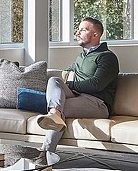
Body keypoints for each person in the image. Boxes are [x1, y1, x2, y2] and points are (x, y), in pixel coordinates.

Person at [35, 17, 119, 154]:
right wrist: (64, 82)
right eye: (78, 30)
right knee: (54, 81)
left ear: (95, 35)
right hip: (78, 96)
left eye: (83, 30)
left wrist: (70, 84)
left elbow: (96, 85)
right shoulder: (81, 57)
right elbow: (67, 72)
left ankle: (45, 155)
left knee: (60, 107)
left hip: (97, 103)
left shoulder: (107, 57)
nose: (78, 33)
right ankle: (54, 114)